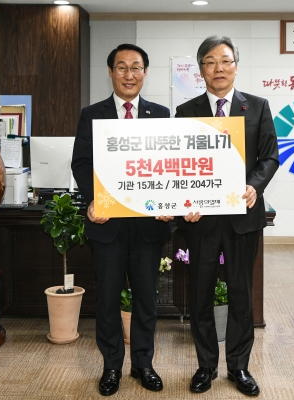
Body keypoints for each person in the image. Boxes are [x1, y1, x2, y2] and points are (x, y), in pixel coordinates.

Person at [175, 35, 279, 397]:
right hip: (200, 220)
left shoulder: (258, 107)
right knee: (200, 295)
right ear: (200, 69)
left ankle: (239, 367)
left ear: (236, 65)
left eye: (225, 61)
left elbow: (269, 157)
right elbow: (178, 165)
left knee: (241, 294)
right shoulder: (185, 112)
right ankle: (206, 366)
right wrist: (183, 201)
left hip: (243, 217)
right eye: (210, 62)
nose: (218, 68)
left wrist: (254, 186)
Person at [71, 43, 172, 397]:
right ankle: (111, 366)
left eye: (136, 67)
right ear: (111, 72)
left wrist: (169, 200)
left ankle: (143, 364)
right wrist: (94, 200)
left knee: (146, 299)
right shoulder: (92, 114)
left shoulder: (161, 115)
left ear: (145, 72)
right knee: (108, 300)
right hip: (108, 225)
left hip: (148, 225)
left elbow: (168, 165)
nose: (129, 74)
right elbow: (81, 163)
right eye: (122, 67)